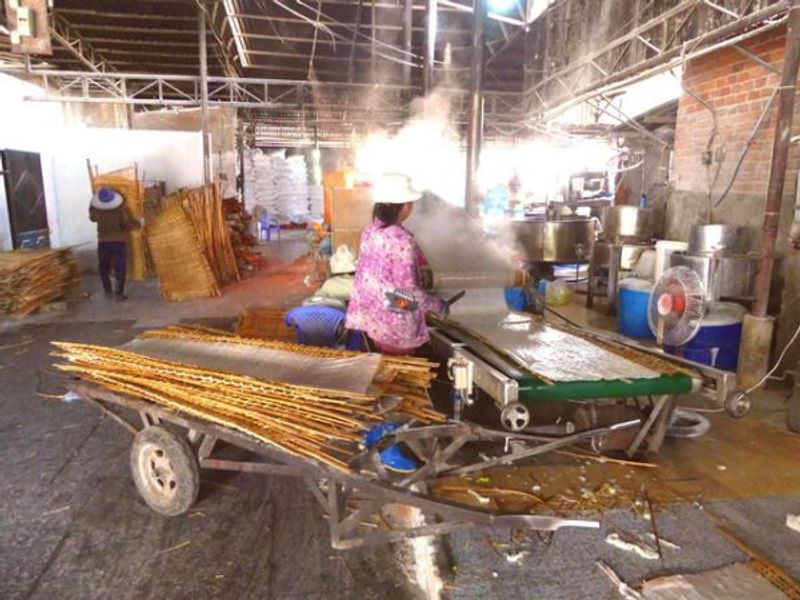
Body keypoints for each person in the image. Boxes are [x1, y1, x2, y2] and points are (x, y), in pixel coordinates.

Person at [346, 173, 445, 355]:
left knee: (386, 371)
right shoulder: (401, 239)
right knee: (402, 375)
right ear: (405, 206)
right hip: (395, 327)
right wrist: (436, 305)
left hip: (373, 318)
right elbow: (406, 296)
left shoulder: (370, 230)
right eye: (410, 203)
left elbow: (379, 278)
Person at [89, 187, 140, 300]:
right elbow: (126, 224)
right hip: (118, 241)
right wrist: (138, 223)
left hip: (103, 242)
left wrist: (91, 204)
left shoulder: (97, 211)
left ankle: (107, 291)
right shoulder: (120, 210)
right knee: (120, 267)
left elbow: (92, 218)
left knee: (104, 267)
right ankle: (119, 293)